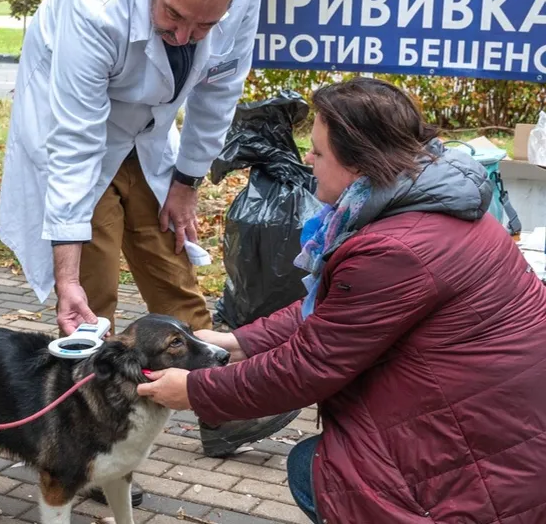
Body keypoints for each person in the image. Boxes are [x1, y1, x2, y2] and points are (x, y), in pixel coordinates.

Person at [137, 77, 546, 523]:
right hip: (503, 430)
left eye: (318, 151)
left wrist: (194, 390)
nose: (307, 159)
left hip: (483, 470)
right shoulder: (432, 206)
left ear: (360, 163)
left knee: (315, 470)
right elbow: (339, 311)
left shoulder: (395, 249)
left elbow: (308, 368)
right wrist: (238, 341)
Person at [0, 0, 300, 504]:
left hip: (149, 139)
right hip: (76, 136)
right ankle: (89, 446)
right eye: (174, 16)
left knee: (172, 267)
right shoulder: (90, 4)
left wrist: (187, 181)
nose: (185, 36)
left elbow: (218, 91)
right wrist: (65, 278)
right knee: (94, 299)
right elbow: (75, 143)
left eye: (204, 28)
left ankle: (220, 407)